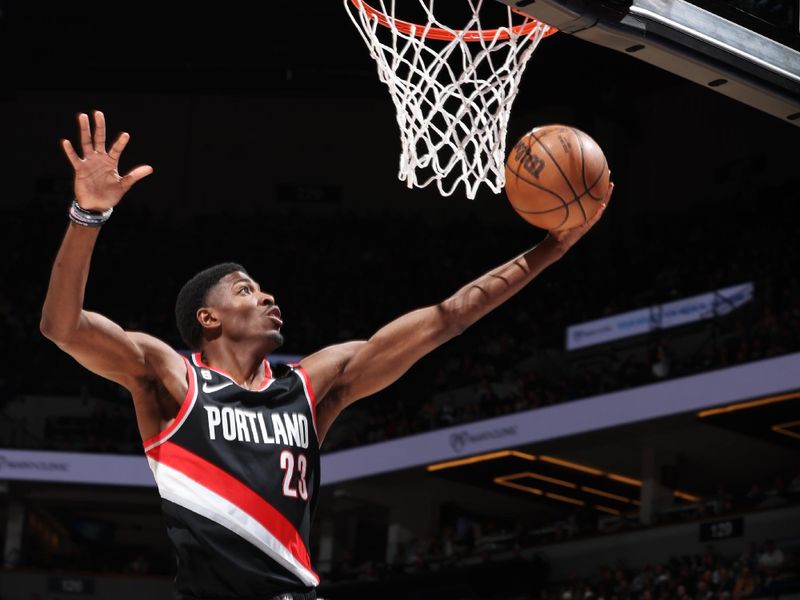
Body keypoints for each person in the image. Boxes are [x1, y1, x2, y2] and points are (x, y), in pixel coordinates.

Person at [40, 111, 613, 600]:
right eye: (244, 289)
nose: (266, 295)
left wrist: (552, 248)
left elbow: (449, 317)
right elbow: (62, 327)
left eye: (262, 288)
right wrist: (88, 214)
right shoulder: (169, 378)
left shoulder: (310, 387)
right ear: (206, 319)